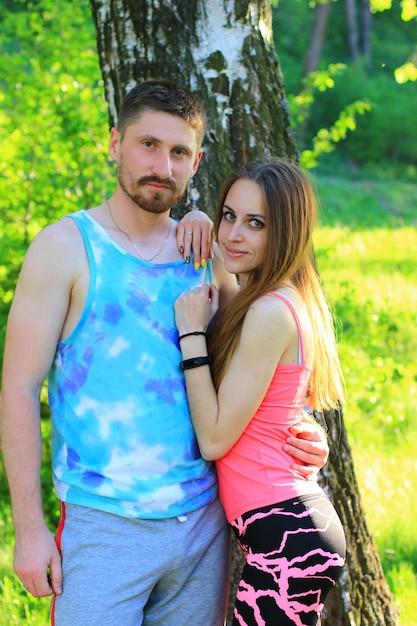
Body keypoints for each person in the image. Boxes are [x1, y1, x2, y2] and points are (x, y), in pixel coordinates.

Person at [0, 81, 329, 626]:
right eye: (147, 145)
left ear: (197, 161)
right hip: (105, 527)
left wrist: (300, 430)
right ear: (114, 143)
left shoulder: (210, 254)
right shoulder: (64, 249)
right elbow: (15, 389)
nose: (162, 166)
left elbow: (258, 364)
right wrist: (30, 531)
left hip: (203, 528)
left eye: (179, 152)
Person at [174, 158, 346, 626]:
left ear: (286, 232)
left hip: (286, 532)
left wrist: (190, 337)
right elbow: (226, 287)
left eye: (256, 224)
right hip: (288, 526)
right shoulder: (280, 297)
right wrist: (199, 224)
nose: (234, 234)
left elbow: (213, 439)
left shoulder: (270, 312)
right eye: (229, 215)